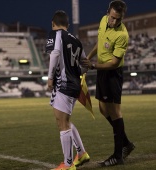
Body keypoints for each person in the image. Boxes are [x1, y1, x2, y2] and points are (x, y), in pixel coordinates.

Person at [81, 0, 135, 167]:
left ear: (122, 18)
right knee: (103, 109)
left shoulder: (122, 34)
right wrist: (88, 58)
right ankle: (126, 143)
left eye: (118, 19)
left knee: (115, 112)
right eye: (112, 17)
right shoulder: (103, 21)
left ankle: (118, 155)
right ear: (108, 13)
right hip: (101, 71)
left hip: (112, 73)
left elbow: (114, 62)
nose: (114, 22)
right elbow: (99, 42)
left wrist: (94, 66)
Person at [46, 10, 90, 170]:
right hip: (74, 85)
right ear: (68, 25)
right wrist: (76, 73)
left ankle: (68, 164)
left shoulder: (55, 34)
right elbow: (85, 66)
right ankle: (82, 153)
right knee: (67, 122)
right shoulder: (76, 40)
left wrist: (50, 77)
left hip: (63, 85)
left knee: (62, 123)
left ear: (53, 23)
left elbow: (55, 53)